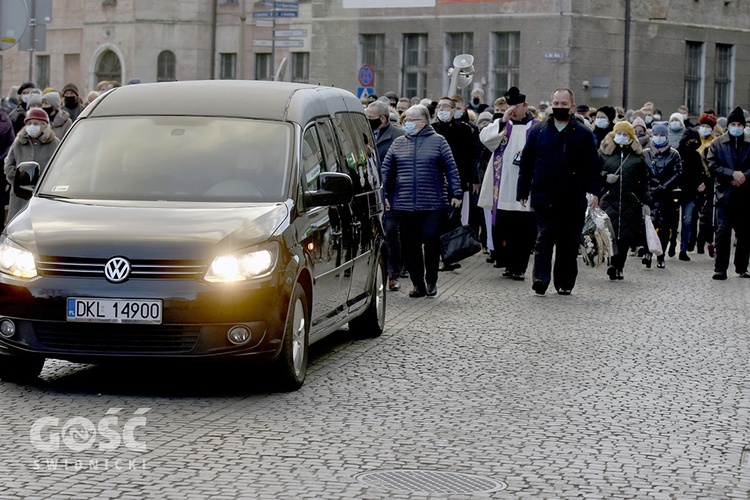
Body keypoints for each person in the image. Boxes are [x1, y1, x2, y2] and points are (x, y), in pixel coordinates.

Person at [517, 87, 602, 295]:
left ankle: (564, 282)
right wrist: (523, 190)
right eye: (556, 104)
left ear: (572, 106)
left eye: (564, 104)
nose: (559, 107)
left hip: (572, 197)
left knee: (568, 242)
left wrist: (594, 192)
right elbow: (527, 162)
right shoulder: (539, 131)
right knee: (544, 238)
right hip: (544, 195)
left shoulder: (583, 134)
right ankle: (540, 279)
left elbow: (592, 166)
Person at [381, 104, 462, 298]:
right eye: (405, 120)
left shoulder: (439, 141)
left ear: (423, 122)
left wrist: (456, 193)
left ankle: (431, 279)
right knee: (411, 245)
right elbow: (386, 170)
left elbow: (451, 168)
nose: (406, 123)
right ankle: (418, 283)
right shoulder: (399, 143)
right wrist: (384, 194)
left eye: (410, 120)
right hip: (405, 203)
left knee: (431, 240)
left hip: (433, 203)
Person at [478, 86, 539, 280]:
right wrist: (503, 120)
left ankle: (519, 267)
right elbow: (486, 139)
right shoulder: (503, 125)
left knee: (524, 230)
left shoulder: (537, 127)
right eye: (510, 106)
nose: (513, 110)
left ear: (525, 106)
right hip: (503, 184)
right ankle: (507, 262)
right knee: (505, 228)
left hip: (526, 185)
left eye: (517, 106)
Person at [598, 120, 652, 280]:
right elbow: (592, 172)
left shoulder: (637, 157)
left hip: (630, 201)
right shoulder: (603, 153)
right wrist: (605, 178)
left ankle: (619, 265)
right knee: (611, 233)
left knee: (625, 236)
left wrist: (646, 201)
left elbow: (644, 181)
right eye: (619, 133)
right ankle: (612, 264)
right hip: (609, 199)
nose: (621, 137)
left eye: (625, 134)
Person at [705, 106, 750, 280]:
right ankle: (720, 267)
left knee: (745, 233)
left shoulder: (748, 142)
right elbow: (712, 165)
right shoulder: (718, 143)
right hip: (725, 194)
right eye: (733, 124)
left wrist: (743, 176)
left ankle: (742, 266)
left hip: (745, 194)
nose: (736, 127)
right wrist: (731, 174)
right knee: (723, 232)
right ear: (728, 125)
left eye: (740, 124)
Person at [365, 101, 406, 291]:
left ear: (382, 118)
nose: (367, 121)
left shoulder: (399, 136)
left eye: (371, 118)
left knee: (390, 232)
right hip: (367, 191)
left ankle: (393, 273)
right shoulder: (363, 134)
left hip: (391, 193)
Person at [4, 108, 61, 221]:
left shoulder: (54, 143)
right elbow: (8, 164)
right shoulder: (19, 143)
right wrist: (18, 180)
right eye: (29, 123)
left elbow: (60, 168)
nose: (31, 126)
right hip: (19, 197)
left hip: (43, 195)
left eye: (35, 123)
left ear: (44, 125)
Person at [641, 122, 683, 269]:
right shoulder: (645, 153)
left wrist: (664, 186)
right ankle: (647, 252)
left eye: (662, 135)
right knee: (648, 224)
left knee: (664, 227)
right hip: (650, 194)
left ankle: (661, 255)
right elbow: (641, 172)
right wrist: (648, 187)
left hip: (667, 195)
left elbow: (678, 173)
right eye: (657, 135)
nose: (659, 138)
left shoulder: (673, 154)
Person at [675, 128, 706, 261]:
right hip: (676, 192)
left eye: (695, 140)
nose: (692, 142)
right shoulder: (677, 154)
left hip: (691, 194)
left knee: (688, 221)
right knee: (674, 222)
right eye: (690, 140)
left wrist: (701, 184)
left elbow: (700, 173)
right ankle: (672, 245)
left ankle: (683, 248)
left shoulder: (696, 156)